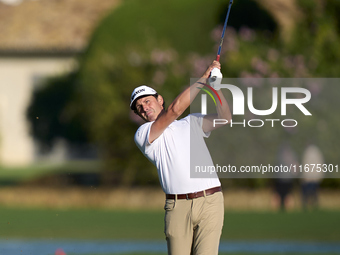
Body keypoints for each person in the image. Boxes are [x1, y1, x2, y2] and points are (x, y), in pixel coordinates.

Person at [130, 60, 231, 255]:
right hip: (177, 207)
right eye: (138, 107)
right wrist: (203, 79)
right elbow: (174, 110)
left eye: (147, 101)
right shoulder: (143, 134)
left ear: (160, 99)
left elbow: (225, 117)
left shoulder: (192, 122)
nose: (144, 107)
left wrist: (216, 88)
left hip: (210, 201)